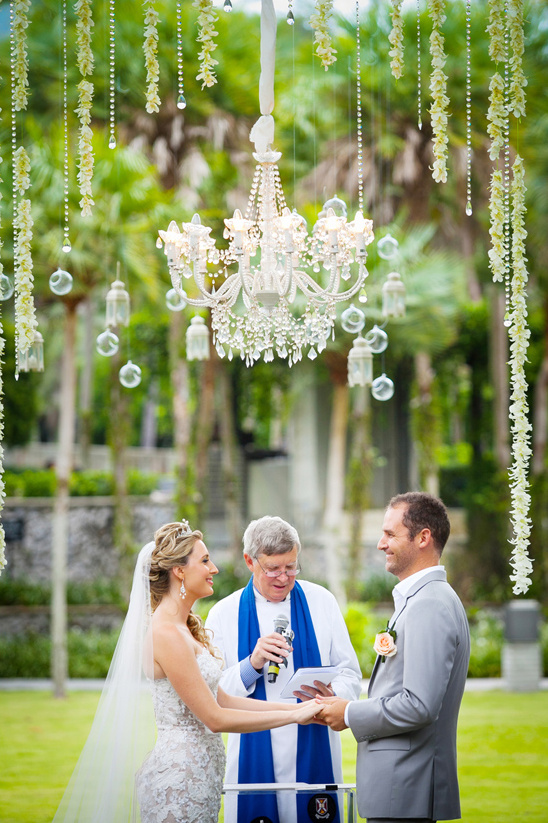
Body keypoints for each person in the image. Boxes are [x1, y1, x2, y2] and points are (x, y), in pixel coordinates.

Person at [52, 521, 321, 823]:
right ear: (179, 570)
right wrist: (292, 716)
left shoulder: (183, 628)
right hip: (179, 781)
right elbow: (215, 718)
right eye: (205, 560)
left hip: (200, 776)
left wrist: (298, 707)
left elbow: (223, 700)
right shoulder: (166, 634)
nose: (214, 568)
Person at [316, 492, 471, 823]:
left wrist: (350, 713)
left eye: (390, 534)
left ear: (423, 538)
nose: (380, 544)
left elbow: (420, 705)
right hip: (400, 790)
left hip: (405, 790)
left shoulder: (429, 604)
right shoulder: (424, 599)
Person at [205, 515, 362, 823]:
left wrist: (333, 695)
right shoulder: (224, 613)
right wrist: (252, 665)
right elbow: (214, 693)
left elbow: (350, 673)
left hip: (315, 740)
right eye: (273, 569)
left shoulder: (322, 601)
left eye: (291, 567)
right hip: (254, 746)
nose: (283, 577)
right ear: (250, 561)